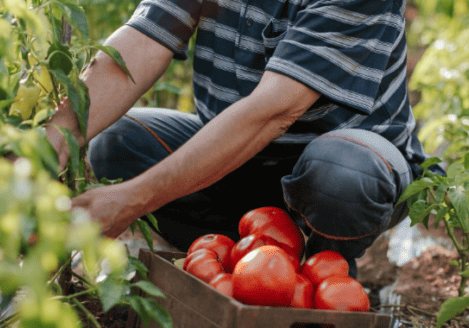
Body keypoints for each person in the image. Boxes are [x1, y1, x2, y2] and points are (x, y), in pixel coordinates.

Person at [46, 0, 444, 278]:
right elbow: (143, 42)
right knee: (119, 142)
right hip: (240, 159)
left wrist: (132, 200)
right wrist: (45, 150)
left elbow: (273, 111)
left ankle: (325, 273)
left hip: (341, 166)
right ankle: (243, 258)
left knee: (342, 177)